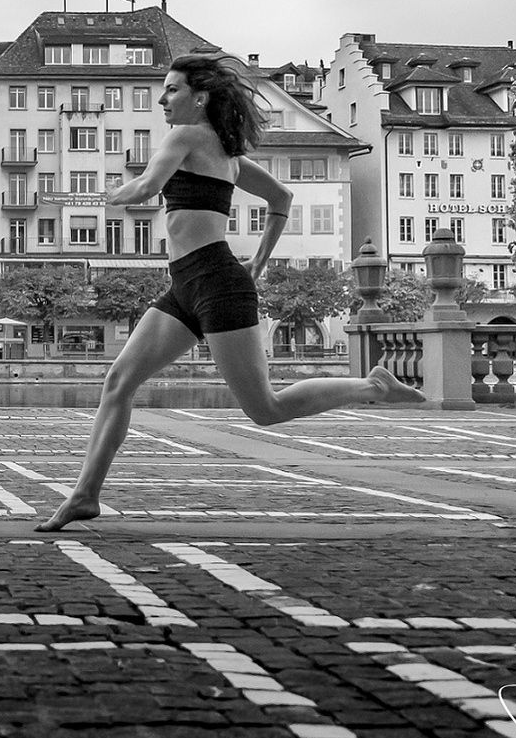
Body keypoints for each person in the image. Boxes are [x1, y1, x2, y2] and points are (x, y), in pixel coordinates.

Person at [37, 53, 425, 532]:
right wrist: (258, 262)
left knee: (266, 408)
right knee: (118, 381)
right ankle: (84, 496)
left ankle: (372, 386)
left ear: (200, 97)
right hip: (186, 284)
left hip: (218, 283)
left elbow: (147, 186)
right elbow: (281, 199)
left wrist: (102, 195)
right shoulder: (226, 155)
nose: (162, 98)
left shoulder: (185, 136)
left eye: (172, 89)